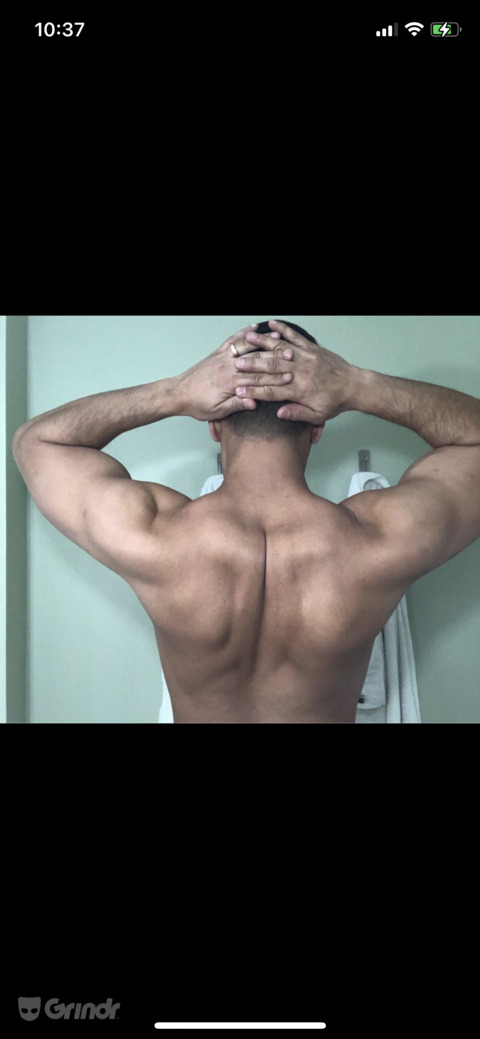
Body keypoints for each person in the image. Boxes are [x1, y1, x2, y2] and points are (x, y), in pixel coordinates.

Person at [12, 320, 480, 723]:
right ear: (318, 426)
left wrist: (176, 392)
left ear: (214, 425)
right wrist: (357, 385)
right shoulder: (376, 541)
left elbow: (36, 442)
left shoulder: (157, 535)